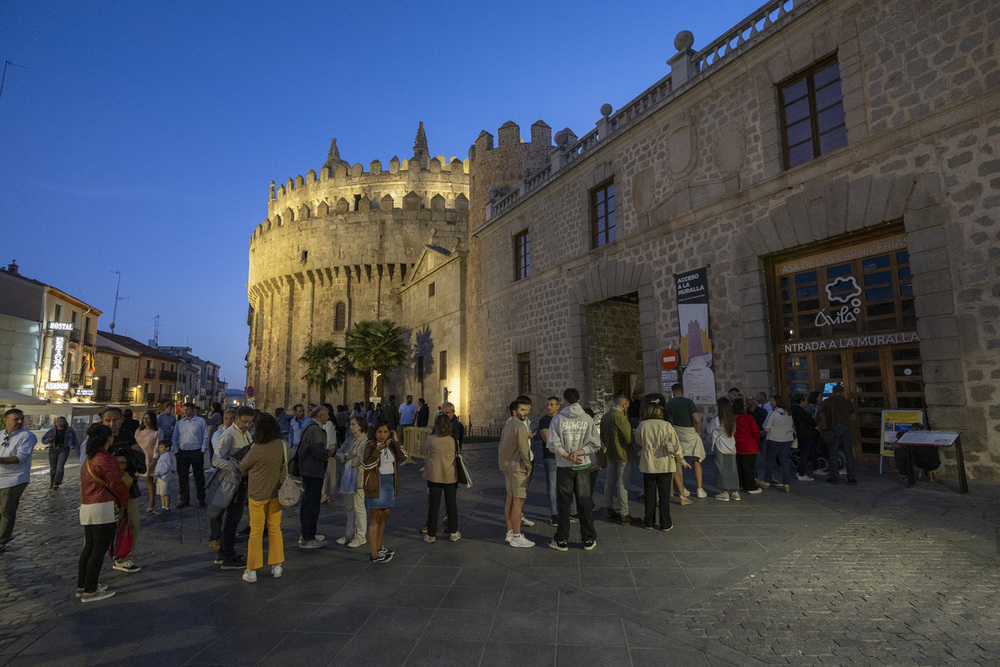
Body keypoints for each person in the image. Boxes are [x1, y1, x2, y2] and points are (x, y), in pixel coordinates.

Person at [77, 423, 129, 602]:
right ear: (109, 439)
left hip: (87, 506)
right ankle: (90, 590)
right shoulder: (106, 458)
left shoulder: (89, 458)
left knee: (89, 548)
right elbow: (116, 483)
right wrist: (124, 502)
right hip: (103, 506)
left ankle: (82, 585)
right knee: (98, 550)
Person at [547, 387, 601, 552]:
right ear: (578, 400)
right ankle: (588, 540)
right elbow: (595, 443)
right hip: (583, 465)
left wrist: (568, 455)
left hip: (565, 465)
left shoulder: (558, 419)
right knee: (584, 503)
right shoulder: (586, 418)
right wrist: (580, 452)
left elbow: (552, 444)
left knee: (564, 503)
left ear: (565, 401)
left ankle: (562, 539)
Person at [238, 414, 287, 583]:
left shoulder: (257, 448)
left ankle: (251, 569)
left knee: (256, 532)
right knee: (275, 529)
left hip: (257, 494)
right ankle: (276, 566)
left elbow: (242, 466)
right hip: (277, 493)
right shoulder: (282, 445)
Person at [102, 407, 145, 573]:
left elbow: (140, 455)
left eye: (115, 420)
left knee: (133, 523)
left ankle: (122, 558)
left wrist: (122, 457)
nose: (112, 423)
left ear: (121, 420)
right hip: (106, 490)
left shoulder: (127, 434)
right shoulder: (98, 436)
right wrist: (127, 457)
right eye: (108, 420)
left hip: (128, 487)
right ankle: (93, 563)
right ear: (103, 420)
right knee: (103, 528)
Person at [211, 406, 253, 569]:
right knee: (231, 519)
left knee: (234, 518)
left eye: (250, 423)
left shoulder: (247, 433)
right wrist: (234, 466)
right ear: (237, 420)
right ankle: (227, 554)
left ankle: (224, 553)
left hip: (241, 481)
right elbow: (216, 460)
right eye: (244, 422)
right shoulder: (228, 435)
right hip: (230, 482)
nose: (247, 425)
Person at [360, 422, 407, 563]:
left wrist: (397, 441)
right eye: (379, 431)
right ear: (374, 432)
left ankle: (379, 547)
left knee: (384, 515)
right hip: (375, 484)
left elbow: (403, 457)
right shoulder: (370, 445)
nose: (382, 435)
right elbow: (366, 464)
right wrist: (378, 451)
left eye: (386, 432)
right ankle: (373, 554)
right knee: (375, 517)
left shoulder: (391, 444)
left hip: (389, 483)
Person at [634, 403, 685, 530]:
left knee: (649, 493)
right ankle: (665, 523)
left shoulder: (642, 425)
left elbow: (638, 441)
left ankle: (649, 521)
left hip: (648, 462)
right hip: (665, 463)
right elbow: (676, 444)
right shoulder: (667, 425)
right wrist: (681, 459)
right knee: (664, 494)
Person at [498, 398, 534, 548]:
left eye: (526, 409)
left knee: (510, 498)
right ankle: (517, 536)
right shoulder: (520, 426)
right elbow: (524, 450)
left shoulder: (508, 424)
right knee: (518, 501)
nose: (525, 412)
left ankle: (510, 532)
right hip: (517, 467)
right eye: (522, 410)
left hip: (507, 466)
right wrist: (528, 466)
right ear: (515, 411)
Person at [297, 405, 334, 549]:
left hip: (307, 470)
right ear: (320, 415)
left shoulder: (307, 426)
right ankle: (308, 537)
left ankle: (307, 533)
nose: (329, 417)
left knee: (307, 504)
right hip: (313, 471)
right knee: (312, 505)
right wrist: (330, 452)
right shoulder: (315, 429)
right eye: (327, 414)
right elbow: (319, 452)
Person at [1, 409, 37, 553]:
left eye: (21, 419)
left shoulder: (27, 436)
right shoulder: (0, 435)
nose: (20, 421)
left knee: (7, 509)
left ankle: (2, 539)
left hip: (15, 478)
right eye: (16, 419)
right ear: (6, 420)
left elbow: (19, 458)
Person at [664, 384, 707, 499]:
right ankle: (699, 489)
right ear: (683, 391)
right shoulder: (688, 402)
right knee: (696, 459)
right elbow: (697, 420)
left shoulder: (668, 404)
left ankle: (681, 488)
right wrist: (698, 432)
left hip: (676, 433)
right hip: (690, 433)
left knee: (678, 461)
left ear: (673, 392)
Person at [423, 414, 460, 543]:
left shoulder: (431, 439)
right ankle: (454, 532)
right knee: (451, 505)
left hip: (434, 476)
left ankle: (431, 534)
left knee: (434, 505)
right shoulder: (452, 440)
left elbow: (425, 452)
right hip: (450, 476)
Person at [601, 393, 635, 524]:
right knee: (622, 484)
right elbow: (628, 438)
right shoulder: (620, 417)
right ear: (623, 405)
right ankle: (624, 513)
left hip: (611, 453)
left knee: (609, 482)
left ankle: (610, 508)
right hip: (623, 454)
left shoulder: (605, 416)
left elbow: (602, 436)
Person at [336, 416, 368, 548]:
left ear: (360, 426)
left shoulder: (365, 442)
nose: (351, 427)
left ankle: (361, 536)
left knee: (359, 508)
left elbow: (360, 459)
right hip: (345, 477)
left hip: (358, 479)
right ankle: (349, 534)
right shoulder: (348, 440)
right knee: (349, 508)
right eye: (350, 424)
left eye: (354, 424)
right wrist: (346, 457)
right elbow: (339, 453)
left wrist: (349, 458)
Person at [171, 402, 209, 508]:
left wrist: (202, 450)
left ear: (193, 410)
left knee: (199, 476)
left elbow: (205, 436)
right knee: (182, 478)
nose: (185, 411)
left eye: (187, 409)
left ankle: (201, 498)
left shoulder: (201, 421)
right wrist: (176, 452)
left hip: (196, 451)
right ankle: (184, 500)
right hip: (182, 452)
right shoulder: (179, 423)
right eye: (184, 409)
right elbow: (174, 438)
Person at [819, 385, 857, 485]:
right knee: (848, 453)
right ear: (842, 392)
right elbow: (853, 416)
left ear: (833, 391)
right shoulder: (847, 402)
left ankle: (834, 477)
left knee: (833, 453)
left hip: (833, 428)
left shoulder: (827, 401)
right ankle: (851, 478)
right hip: (846, 428)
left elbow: (821, 415)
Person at [761, 396, 795, 492]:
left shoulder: (773, 413)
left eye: (772, 401)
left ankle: (767, 481)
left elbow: (766, 427)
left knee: (770, 460)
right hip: (787, 439)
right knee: (784, 461)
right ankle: (786, 483)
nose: (770, 403)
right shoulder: (788, 413)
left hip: (774, 439)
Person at [709, 398, 740, 501]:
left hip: (720, 445)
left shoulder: (718, 419)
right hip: (731, 446)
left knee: (721, 469)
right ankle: (735, 492)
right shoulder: (732, 419)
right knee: (732, 469)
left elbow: (709, 430)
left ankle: (724, 492)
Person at [732, 399, 762, 494]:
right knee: (749, 468)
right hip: (749, 446)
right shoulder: (748, 417)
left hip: (737, 445)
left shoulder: (732, 418)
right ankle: (750, 486)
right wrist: (757, 441)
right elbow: (755, 431)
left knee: (739, 467)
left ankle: (740, 484)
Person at [43, 415, 79, 490]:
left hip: (64, 449)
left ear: (65, 422)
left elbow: (75, 441)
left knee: (59, 468)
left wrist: (78, 452)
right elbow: (44, 440)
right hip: (53, 449)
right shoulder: (51, 431)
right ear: (55, 423)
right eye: (57, 422)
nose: (59, 423)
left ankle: (57, 483)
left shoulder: (69, 430)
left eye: (61, 421)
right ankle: (52, 482)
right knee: (53, 468)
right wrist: (49, 440)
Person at [133, 411, 159, 511]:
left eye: (147, 418)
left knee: (149, 479)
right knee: (134, 478)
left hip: (149, 456)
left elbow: (157, 447)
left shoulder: (157, 432)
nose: (145, 420)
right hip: (137, 457)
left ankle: (152, 501)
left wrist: (155, 459)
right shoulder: (139, 431)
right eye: (144, 418)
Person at [791, 394, 817, 482]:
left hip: (797, 434)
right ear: (801, 402)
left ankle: (800, 472)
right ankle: (801, 473)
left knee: (802, 453)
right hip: (805, 434)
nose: (807, 403)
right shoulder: (802, 412)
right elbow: (812, 422)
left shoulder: (793, 410)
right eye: (806, 401)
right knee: (804, 454)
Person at [320, 402, 339, 504]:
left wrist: (324, 452)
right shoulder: (326, 423)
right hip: (328, 448)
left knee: (328, 473)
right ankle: (326, 494)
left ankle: (326, 494)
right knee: (326, 473)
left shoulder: (329, 423)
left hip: (328, 449)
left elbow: (327, 438)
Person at [153, 441, 174, 512]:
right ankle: (163, 506)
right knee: (161, 493)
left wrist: (158, 473)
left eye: (161, 447)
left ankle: (167, 507)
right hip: (160, 478)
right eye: (159, 447)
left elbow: (166, 468)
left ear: (167, 448)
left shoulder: (167, 456)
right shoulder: (162, 455)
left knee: (165, 493)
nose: (159, 449)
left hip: (164, 478)